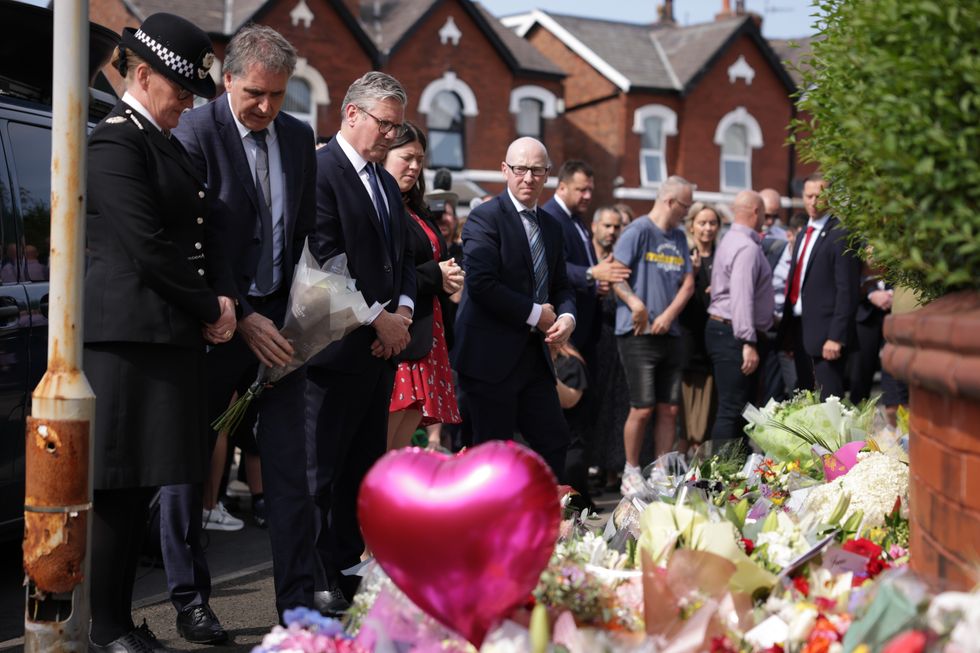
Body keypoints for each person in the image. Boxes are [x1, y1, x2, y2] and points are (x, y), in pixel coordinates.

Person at [84, 13, 235, 652]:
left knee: (141, 484)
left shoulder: (160, 141)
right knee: (118, 488)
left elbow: (195, 231)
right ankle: (107, 626)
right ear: (142, 76)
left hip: (163, 337)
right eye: (180, 91)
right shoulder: (116, 141)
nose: (187, 105)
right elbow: (145, 244)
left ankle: (118, 620)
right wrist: (209, 305)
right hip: (129, 341)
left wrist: (216, 301)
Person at [172, 24, 318, 621]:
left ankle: (299, 606)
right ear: (226, 78)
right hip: (215, 327)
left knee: (290, 467)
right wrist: (243, 313)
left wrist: (299, 313)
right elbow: (192, 237)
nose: (265, 107)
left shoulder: (300, 137)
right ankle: (189, 600)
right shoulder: (194, 130)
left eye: (278, 96)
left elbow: (303, 232)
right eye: (254, 93)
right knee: (187, 465)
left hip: (281, 329)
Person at [305, 72, 416, 615]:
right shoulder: (322, 170)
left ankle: (349, 567)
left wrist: (403, 314)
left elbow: (406, 261)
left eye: (397, 127)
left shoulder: (382, 182)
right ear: (351, 113)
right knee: (321, 472)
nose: (391, 137)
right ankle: (320, 573)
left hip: (379, 351)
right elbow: (322, 260)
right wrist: (380, 320)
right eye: (384, 124)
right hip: (335, 352)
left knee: (361, 468)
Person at [452, 137, 576, 478]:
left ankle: (544, 522)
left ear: (548, 174)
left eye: (537, 170)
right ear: (505, 170)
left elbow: (562, 284)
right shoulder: (484, 218)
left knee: (554, 440)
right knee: (490, 455)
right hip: (488, 358)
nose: (528, 177)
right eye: (520, 169)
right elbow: (481, 284)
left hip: (533, 358)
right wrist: (537, 315)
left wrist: (566, 317)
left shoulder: (551, 226)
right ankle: (485, 527)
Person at [611, 176, 694, 497]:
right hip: (638, 336)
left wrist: (668, 315)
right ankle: (631, 469)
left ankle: (660, 468)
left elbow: (687, 283)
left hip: (670, 334)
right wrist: (636, 304)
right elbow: (616, 275)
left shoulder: (679, 238)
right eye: (685, 206)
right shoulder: (638, 231)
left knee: (669, 408)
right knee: (642, 407)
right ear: (671, 202)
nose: (687, 213)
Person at [383, 122, 464, 449]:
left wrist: (448, 277)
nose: (415, 166)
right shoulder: (383, 205)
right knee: (383, 442)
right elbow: (386, 271)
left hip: (428, 335)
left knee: (401, 444)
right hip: (400, 334)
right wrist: (436, 276)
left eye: (420, 158)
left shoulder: (415, 207)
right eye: (407, 157)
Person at [781, 174, 861, 399]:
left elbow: (847, 289)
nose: (813, 202)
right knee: (806, 402)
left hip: (827, 336)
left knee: (830, 402)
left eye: (819, 196)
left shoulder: (840, 234)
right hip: (800, 330)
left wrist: (836, 336)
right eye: (808, 196)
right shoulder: (802, 235)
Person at [704, 191, 775, 441]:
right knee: (732, 409)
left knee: (737, 409)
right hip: (734, 335)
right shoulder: (746, 248)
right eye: (765, 213)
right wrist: (748, 341)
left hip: (726, 330)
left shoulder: (730, 239)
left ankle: (734, 470)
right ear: (756, 212)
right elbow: (741, 296)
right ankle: (723, 474)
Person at [590, 207, 631, 490]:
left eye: (616, 227)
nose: (611, 232)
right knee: (592, 403)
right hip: (588, 335)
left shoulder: (622, 257)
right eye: (607, 226)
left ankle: (613, 469)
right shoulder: (586, 255)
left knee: (617, 405)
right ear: (595, 226)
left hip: (616, 336)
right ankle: (589, 467)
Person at [678, 202, 721, 448]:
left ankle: (699, 458)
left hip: (712, 338)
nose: (707, 228)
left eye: (712, 223)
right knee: (683, 409)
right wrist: (691, 275)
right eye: (702, 223)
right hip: (687, 336)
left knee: (707, 408)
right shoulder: (684, 254)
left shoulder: (722, 256)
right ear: (692, 226)